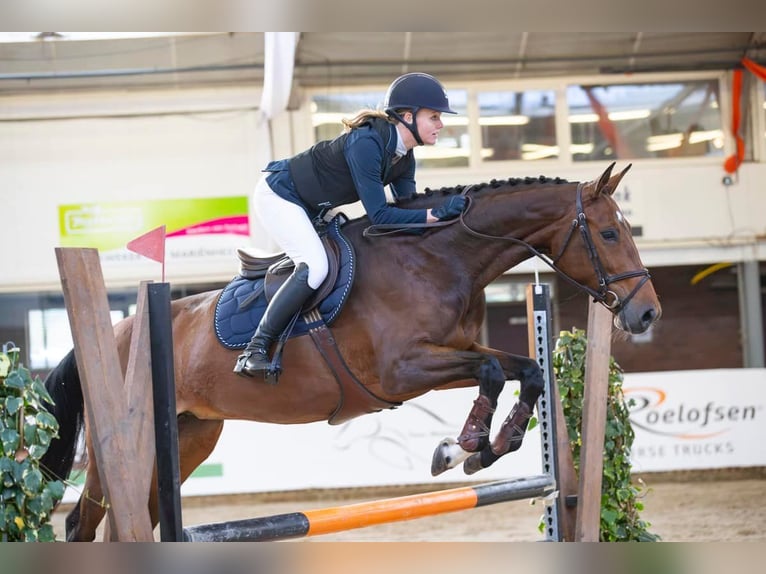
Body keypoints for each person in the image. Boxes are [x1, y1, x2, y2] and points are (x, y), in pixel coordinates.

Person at [233, 72, 467, 379]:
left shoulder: (404, 157)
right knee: (315, 266)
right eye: (434, 117)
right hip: (279, 194)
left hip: (311, 206)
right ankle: (255, 349)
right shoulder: (367, 143)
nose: (441, 125)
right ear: (407, 116)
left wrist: (449, 218)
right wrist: (434, 214)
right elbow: (381, 216)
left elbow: (405, 210)